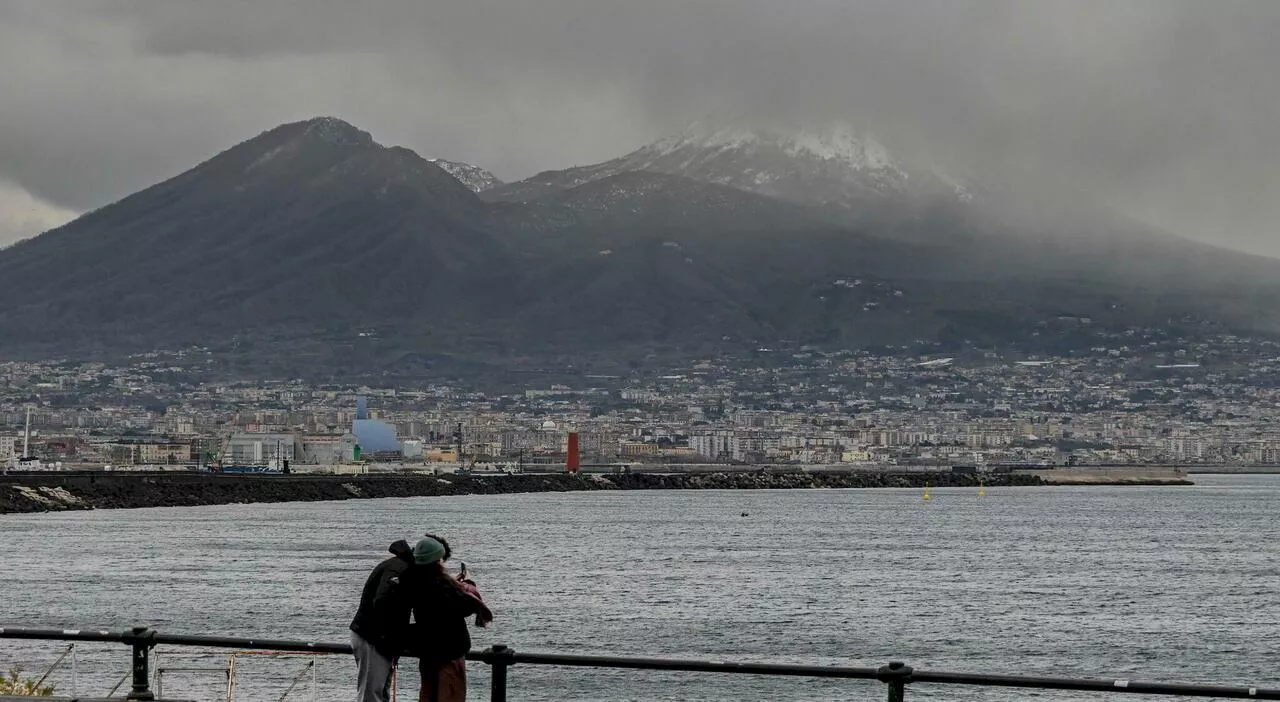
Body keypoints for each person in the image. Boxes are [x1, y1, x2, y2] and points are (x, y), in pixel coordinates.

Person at [409, 535, 493, 702]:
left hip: (428, 653)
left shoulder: (416, 582)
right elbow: (465, 606)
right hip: (449, 653)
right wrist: (469, 584)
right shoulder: (442, 587)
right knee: (451, 695)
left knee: (428, 695)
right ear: (436, 560)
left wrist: (454, 584)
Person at [349, 539, 416, 702]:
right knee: (371, 694)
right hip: (374, 638)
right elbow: (382, 600)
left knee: (377, 691)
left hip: (377, 637)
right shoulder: (400, 569)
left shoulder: (401, 567)